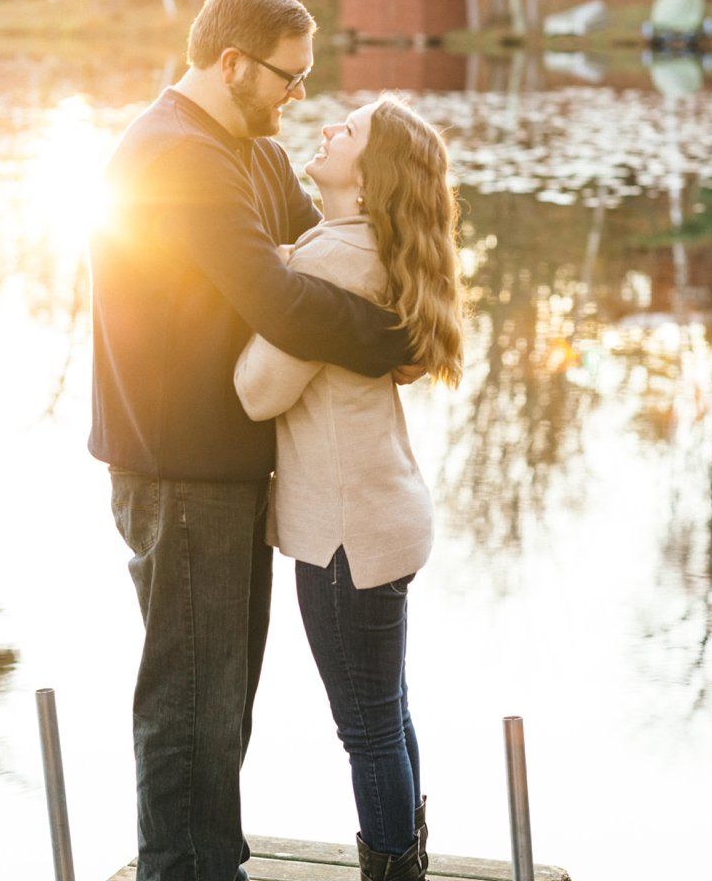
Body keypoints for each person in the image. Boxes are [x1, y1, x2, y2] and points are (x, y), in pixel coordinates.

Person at [88, 0, 418, 881]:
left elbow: (323, 262)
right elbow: (278, 299)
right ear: (232, 63)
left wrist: (406, 304)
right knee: (190, 700)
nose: (298, 96)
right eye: (287, 76)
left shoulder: (253, 148)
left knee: (222, 701)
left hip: (233, 468)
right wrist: (398, 342)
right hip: (176, 470)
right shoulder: (177, 154)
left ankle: (211, 860)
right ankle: (185, 870)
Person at [234, 96, 465, 881]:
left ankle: (394, 868)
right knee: (388, 712)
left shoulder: (329, 260)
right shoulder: (367, 251)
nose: (330, 126)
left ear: (369, 183)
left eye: (351, 129)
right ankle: (408, 858)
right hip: (385, 517)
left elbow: (259, 391)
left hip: (344, 537)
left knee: (366, 726)